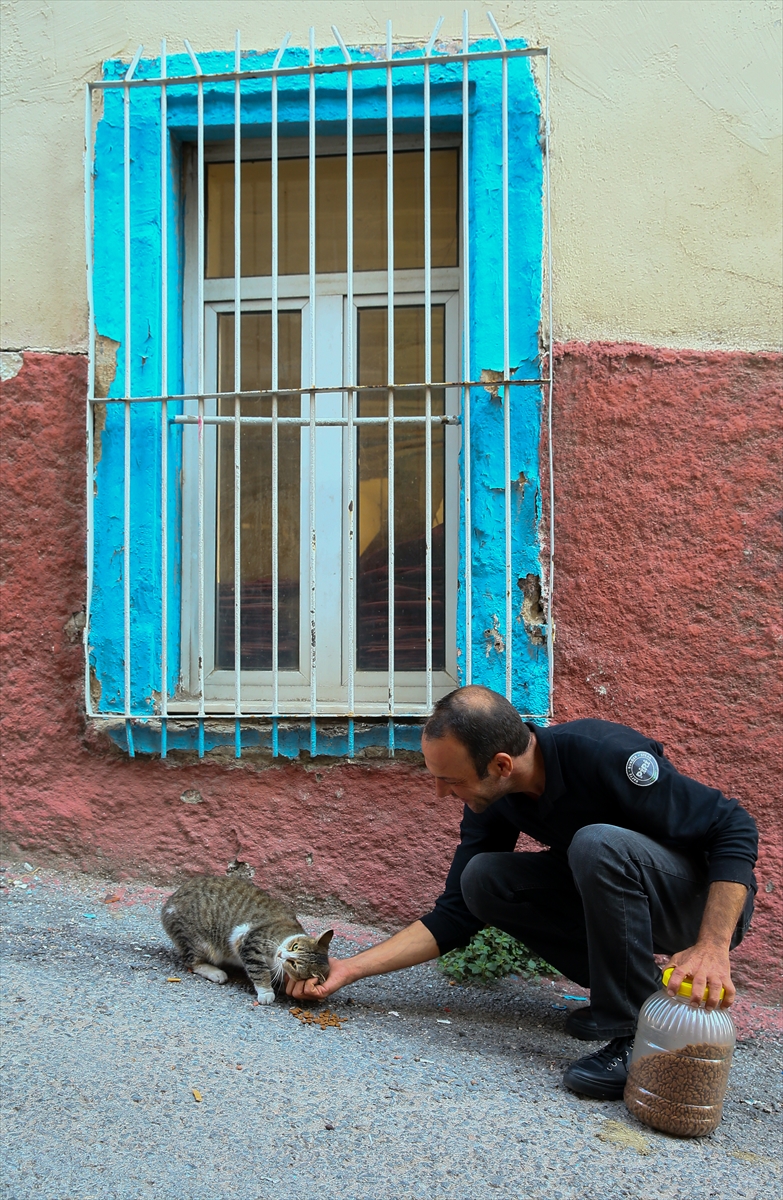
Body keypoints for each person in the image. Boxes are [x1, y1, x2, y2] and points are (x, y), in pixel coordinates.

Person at [287, 686, 757, 1100]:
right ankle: (643, 998)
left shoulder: (604, 754)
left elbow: (734, 828)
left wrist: (712, 946)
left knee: (597, 844)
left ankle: (636, 1038)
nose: (438, 793)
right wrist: (348, 969)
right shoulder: (495, 797)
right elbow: (454, 913)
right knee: (483, 879)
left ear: (501, 764)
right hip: (624, 886)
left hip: (697, 904)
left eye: (449, 779)